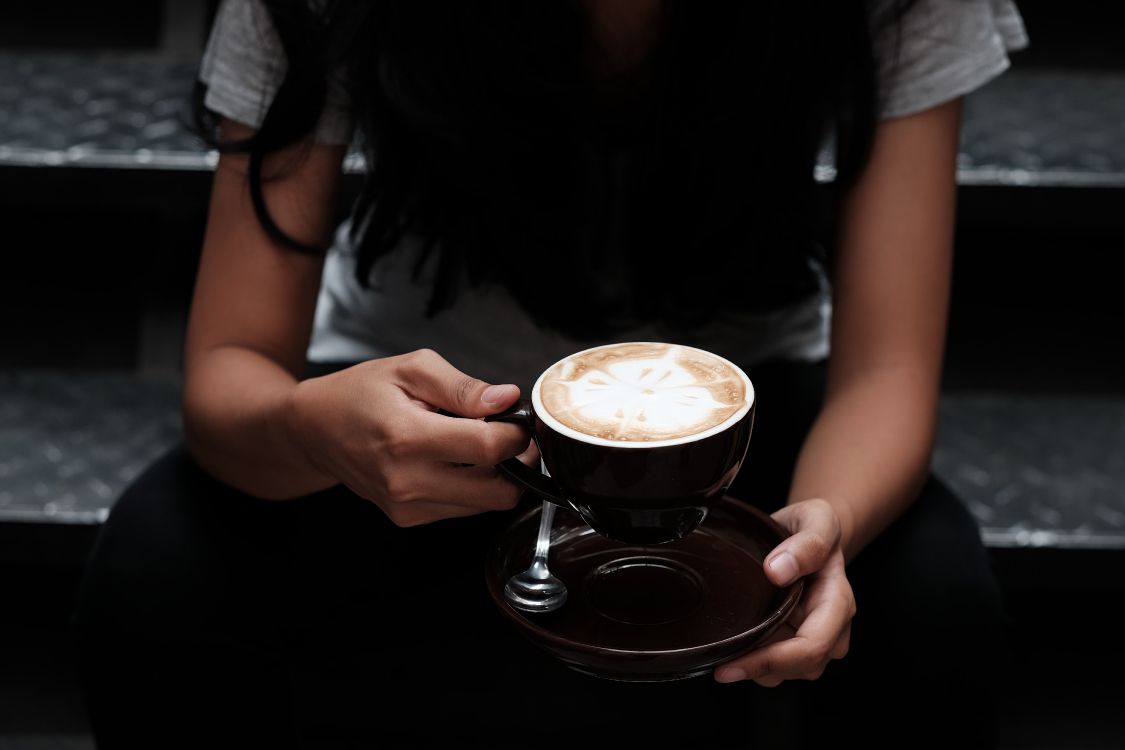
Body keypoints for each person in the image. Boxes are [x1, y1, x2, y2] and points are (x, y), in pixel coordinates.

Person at [74, 1, 1027, 747]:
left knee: (935, 603)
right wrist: (309, 431)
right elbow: (230, 371)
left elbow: (887, 369)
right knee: (155, 565)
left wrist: (824, 534)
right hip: (424, 406)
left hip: (739, 419)